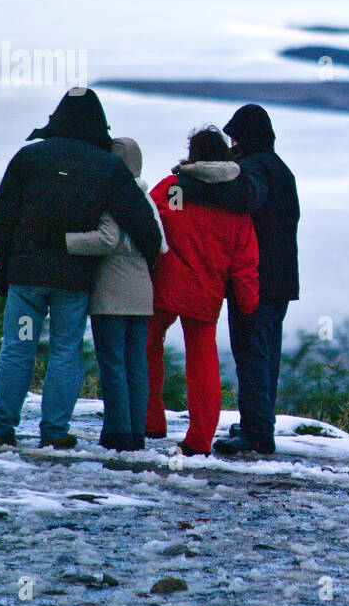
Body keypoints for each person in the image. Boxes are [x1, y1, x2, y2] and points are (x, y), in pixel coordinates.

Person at [0, 88, 163, 449]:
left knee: (18, 346)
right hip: (73, 279)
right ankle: (55, 431)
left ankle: (1, 428)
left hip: (27, 276)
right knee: (66, 350)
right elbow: (144, 226)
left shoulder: (29, 158)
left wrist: (3, 264)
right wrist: (151, 259)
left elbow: (4, 218)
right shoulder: (107, 166)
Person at [170, 104, 299, 456]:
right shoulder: (281, 169)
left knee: (251, 354)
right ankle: (259, 421)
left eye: (234, 137)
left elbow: (246, 197)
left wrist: (191, 188)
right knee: (266, 354)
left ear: (242, 138)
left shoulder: (255, 169)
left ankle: (257, 435)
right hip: (281, 281)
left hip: (256, 281)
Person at [145, 127, 260, 456]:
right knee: (203, 363)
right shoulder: (235, 201)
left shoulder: (174, 189)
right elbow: (245, 260)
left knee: (147, 346)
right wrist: (249, 303)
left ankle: (151, 420)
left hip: (165, 286)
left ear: (191, 153)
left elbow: (153, 223)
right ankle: (199, 440)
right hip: (205, 292)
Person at [65, 137, 167, 452]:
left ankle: (117, 432)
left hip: (112, 290)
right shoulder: (146, 198)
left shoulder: (113, 195)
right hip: (141, 292)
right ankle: (136, 431)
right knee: (136, 363)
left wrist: (65, 241)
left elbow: (107, 240)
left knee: (112, 363)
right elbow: (160, 244)